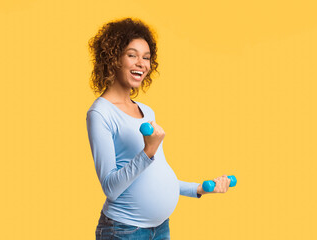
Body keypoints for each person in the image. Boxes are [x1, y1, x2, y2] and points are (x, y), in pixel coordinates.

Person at [86, 17, 231, 240]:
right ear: (113, 58)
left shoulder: (146, 111)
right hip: (124, 231)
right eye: (132, 55)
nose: (142, 64)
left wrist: (199, 188)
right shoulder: (100, 113)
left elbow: (156, 174)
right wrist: (148, 152)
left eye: (146, 57)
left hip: (160, 229)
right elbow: (110, 188)